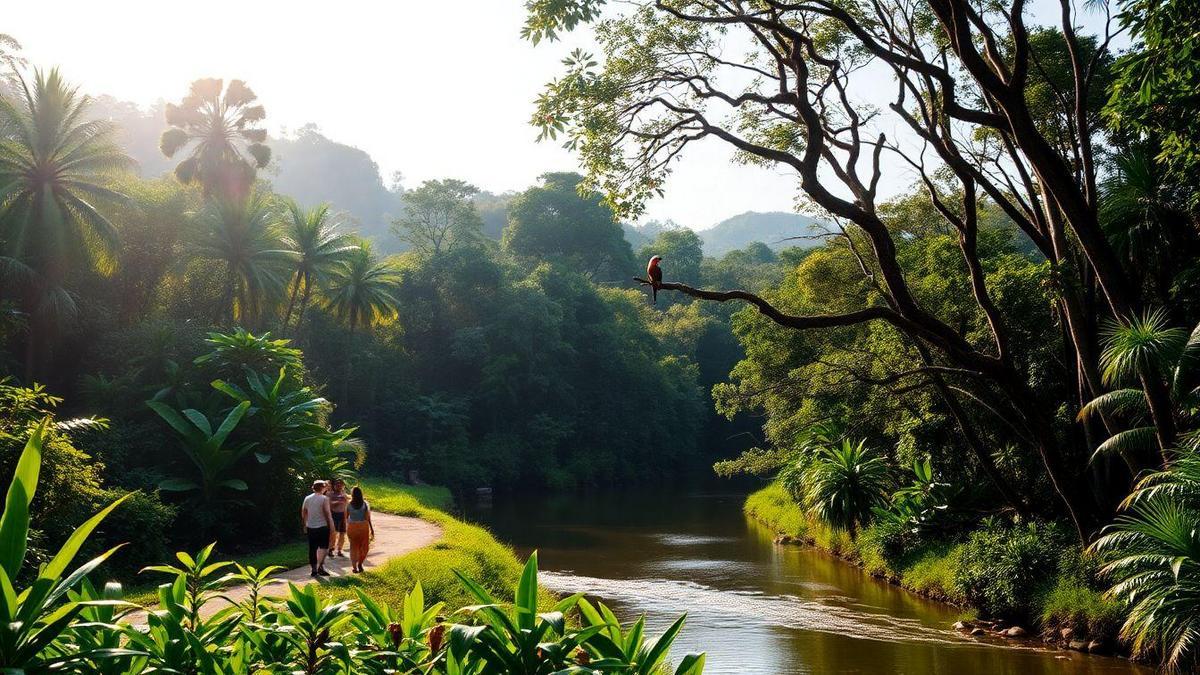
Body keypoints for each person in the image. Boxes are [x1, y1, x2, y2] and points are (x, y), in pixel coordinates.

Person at [301, 480, 333, 576]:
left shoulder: (307, 498)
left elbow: (304, 512)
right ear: (323, 488)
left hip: (311, 526)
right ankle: (320, 566)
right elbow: (327, 513)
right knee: (324, 547)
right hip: (323, 526)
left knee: (312, 548)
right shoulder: (324, 499)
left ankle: (314, 569)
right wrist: (331, 526)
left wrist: (304, 525)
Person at [346, 486, 375, 573]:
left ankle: (354, 567)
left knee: (353, 547)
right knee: (364, 547)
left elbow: (346, 517)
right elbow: (367, 517)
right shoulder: (365, 504)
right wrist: (371, 528)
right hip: (363, 527)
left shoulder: (348, 504)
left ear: (352, 494)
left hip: (352, 527)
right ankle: (360, 563)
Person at [327, 478, 350, 557]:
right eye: (337, 484)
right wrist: (338, 501)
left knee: (342, 533)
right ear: (334, 485)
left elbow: (348, 504)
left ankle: (339, 549)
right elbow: (328, 504)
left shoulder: (344, 494)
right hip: (333, 515)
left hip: (343, 515)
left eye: (341, 484)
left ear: (343, 486)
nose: (339, 486)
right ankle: (331, 549)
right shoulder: (330, 494)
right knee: (333, 533)